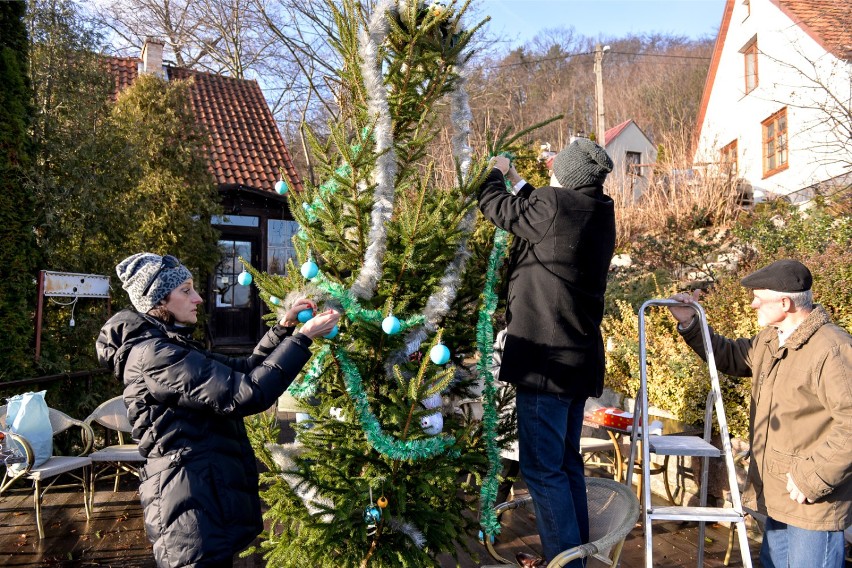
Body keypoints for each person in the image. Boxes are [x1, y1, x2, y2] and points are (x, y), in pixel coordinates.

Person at [96, 252, 339, 567]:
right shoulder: (154, 356)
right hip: (189, 511)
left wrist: (283, 329)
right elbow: (246, 394)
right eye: (186, 290)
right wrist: (303, 338)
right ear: (159, 300)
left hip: (201, 497)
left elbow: (246, 368)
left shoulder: (171, 346)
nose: (198, 298)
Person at [477, 138, 616, 568]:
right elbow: (540, 209)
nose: (551, 170)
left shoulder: (555, 205)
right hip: (578, 361)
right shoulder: (597, 212)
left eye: (558, 167)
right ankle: (576, 556)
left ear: (568, 177)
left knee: (541, 469)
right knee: (566, 463)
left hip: (546, 364)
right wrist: (521, 183)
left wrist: (496, 173)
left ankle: (565, 563)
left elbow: (499, 208)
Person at [668, 259, 852, 568]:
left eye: (758, 297)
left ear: (785, 302)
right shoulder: (771, 339)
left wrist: (812, 478)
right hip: (777, 498)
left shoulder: (832, 349)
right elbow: (727, 356)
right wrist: (691, 323)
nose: (753, 305)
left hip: (812, 503)